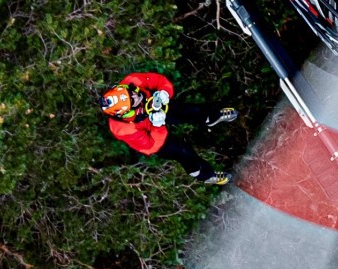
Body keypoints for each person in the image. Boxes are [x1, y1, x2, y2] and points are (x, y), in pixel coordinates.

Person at [99, 72, 238, 185]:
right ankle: (206, 175)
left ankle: (212, 117)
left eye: (131, 93)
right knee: (183, 152)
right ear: (125, 113)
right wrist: (157, 126)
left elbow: (159, 81)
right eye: (133, 100)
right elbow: (151, 146)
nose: (136, 95)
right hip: (153, 135)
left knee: (189, 110)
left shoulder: (132, 81)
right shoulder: (122, 129)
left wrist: (164, 93)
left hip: (155, 107)